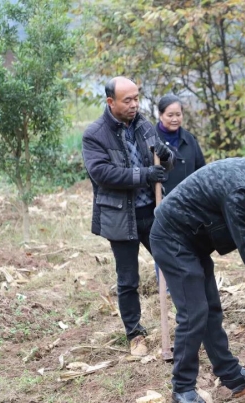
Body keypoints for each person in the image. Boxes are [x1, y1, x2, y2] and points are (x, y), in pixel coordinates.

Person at [149, 157, 245, 403]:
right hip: (173, 239)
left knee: (210, 308)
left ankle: (232, 376)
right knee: (193, 313)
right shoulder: (242, 191)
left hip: (192, 239)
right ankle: (182, 389)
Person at [82, 76, 175, 357]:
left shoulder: (144, 125)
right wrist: (143, 175)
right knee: (127, 280)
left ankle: (186, 323)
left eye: (137, 98)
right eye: (128, 100)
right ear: (111, 102)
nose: (135, 104)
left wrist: (165, 155)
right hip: (120, 217)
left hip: (153, 211)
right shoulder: (95, 134)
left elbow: (164, 163)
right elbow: (102, 173)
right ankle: (135, 334)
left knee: (174, 265)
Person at [153, 94, 206, 285]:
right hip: (161, 201)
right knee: (165, 244)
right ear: (160, 115)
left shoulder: (189, 140)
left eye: (178, 114)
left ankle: (188, 281)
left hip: (188, 203)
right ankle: (165, 284)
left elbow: (201, 169)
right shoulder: (151, 140)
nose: (175, 119)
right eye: (170, 115)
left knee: (188, 244)